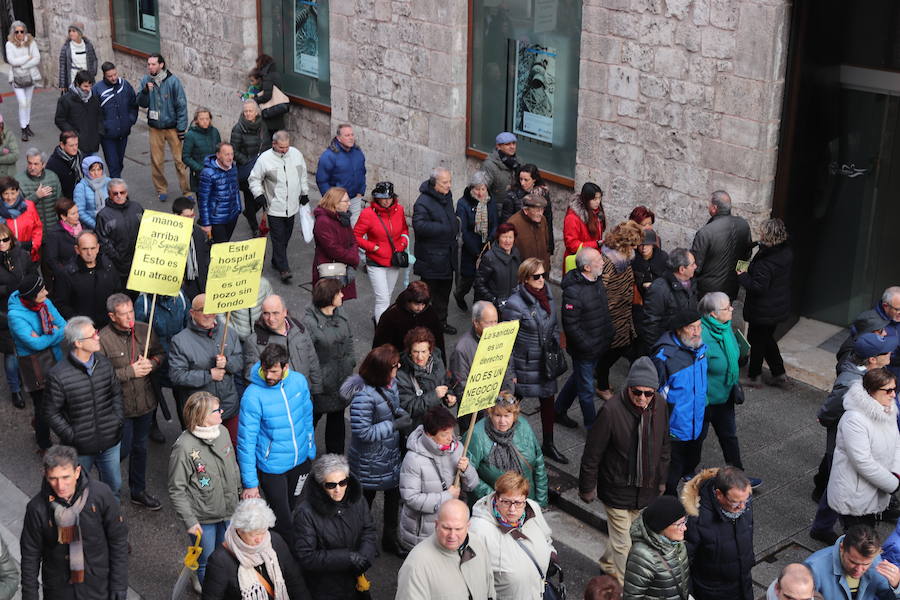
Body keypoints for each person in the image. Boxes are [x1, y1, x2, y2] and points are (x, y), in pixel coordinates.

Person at [579, 357, 671, 583]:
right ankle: (624, 588)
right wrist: (587, 487)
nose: (642, 398)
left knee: (628, 537)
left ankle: (607, 564)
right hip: (617, 489)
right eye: (636, 392)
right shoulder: (611, 411)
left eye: (648, 393)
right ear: (628, 388)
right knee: (626, 547)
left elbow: (665, 445)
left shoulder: (660, 406)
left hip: (645, 488)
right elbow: (592, 453)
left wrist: (662, 480)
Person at [811, 332, 896, 544]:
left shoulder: (874, 378)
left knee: (836, 480)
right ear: (872, 359)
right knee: (838, 483)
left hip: (857, 442)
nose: (891, 353)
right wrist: (824, 418)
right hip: (844, 440)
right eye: (885, 351)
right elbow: (830, 409)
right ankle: (821, 526)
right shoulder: (851, 383)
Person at [20, 445, 128, 600]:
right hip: (59, 590)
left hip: (98, 585)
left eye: (65, 477)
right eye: (53, 478)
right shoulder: (37, 508)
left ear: (77, 472)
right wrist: (30, 595)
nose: (60, 486)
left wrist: (119, 584)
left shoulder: (100, 494)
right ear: (45, 475)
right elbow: (30, 554)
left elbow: (118, 540)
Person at [238, 343, 315, 547]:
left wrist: (310, 448)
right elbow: (246, 442)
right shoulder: (252, 396)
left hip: (300, 462)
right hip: (272, 468)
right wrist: (250, 483)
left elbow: (307, 416)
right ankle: (288, 561)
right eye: (265, 370)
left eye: (274, 371)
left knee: (295, 510)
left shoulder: (298, 382)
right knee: (283, 521)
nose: (269, 376)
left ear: (285, 367)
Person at [341, 344, 410, 555]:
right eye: (394, 366)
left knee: (392, 499)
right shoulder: (363, 396)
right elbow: (363, 433)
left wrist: (398, 412)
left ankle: (390, 539)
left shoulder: (390, 383)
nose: (398, 368)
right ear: (382, 370)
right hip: (369, 461)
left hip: (388, 454)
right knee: (364, 503)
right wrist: (394, 425)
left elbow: (389, 405)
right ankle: (360, 542)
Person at [46, 316, 124, 499]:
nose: (98, 337)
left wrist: (117, 420)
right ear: (78, 343)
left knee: (114, 486)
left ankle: (111, 520)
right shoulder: (58, 375)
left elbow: (116, 394)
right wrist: (72, 436)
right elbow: (51, 412)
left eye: (96, 332)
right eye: (93, 335)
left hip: (109, 441)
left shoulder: (104, 363)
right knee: (78, 491)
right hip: (80, 448)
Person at [98, 293, 164, 510]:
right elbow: (99, 377)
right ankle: (105, 489)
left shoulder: (145, 330)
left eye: (131, 312)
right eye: (124, 314)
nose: (130, 318)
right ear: (112, 316)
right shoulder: (102, 340)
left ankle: (138, 490)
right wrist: (130, 372)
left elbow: (160, 354)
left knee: (140, 448)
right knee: (122, 449)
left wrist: (152, 364)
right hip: (120, 408)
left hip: (145, 404)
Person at [168, 391, 241, 586]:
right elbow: (177, 489)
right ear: (202, 417)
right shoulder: (183, 447)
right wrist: (190, 521)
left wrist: (240, 495)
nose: (222, 412)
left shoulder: (223, 432)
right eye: (217, 410)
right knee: (206, 562)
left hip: (228, 511)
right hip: (203, 518)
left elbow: (233, 466)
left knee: (226, 555)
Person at [502, 257, 565, 462]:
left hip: (545, 362)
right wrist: (510, 373)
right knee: (511, 406)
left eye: (543, 275)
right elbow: (507, 342)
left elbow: (554, 324)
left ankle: (549, 443)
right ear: (525, 278)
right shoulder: (514, 304)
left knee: (548, 403)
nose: (541, 279)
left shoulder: (548, 295)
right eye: (536, 276)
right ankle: (504, 442)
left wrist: (554, 346)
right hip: (525, 363)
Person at [292, 454, 377, 600]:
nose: (338, 489)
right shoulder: (305, 513)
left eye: (342, 482)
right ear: (320, 484)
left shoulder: (357, 499)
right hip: (325, 589)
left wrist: (365, 555)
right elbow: (306, 556)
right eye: (331, 485)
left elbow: (368, 529)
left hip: (355, 582)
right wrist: (347, 558)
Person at [828, 368, 900, 531]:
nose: (893, 395)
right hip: (855, 495)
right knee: (859, 541)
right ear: (872, 391)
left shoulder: (887, 408)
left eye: (894, 389)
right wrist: (892, 484)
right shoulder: (854, 420)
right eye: (888, 391)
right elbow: (862, 462)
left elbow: (897, 443)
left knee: (868, 535)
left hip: (875, 490)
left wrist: (895, 473)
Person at [399, 406, 478, 552]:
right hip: (423, 533)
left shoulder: (458, 448)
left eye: (451, 432)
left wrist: (467, 470)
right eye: (444, 434)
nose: (450, 438)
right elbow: (410, 498)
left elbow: (472, 485)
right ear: (429, 435)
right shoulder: (413, 460)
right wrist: (446, 497)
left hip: (451, 527)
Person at [469, 471, 556, 599]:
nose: (512, 509)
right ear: (496, 498)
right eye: (506, 502)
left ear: (525, 501)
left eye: (518, 503)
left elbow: (546, 538)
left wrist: (551, 553)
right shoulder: (479, 530)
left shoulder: (533, 508)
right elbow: (472, 578)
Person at [169, 293, 243, 441]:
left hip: (228, 407)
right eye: (203, 310)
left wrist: (227, 363)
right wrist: (209, 375)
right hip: (202, 413)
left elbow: (240, 362)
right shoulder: (180, 341)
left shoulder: (228, 332)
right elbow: (176, 375)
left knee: (232, 449)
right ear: (192, 313)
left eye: (212, 309)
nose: (209, 314)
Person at [202, 498, 310, 600]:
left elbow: (294, 580)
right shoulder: (219, 561)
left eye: (263, 532)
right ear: (239, 530)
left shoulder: (274, 540)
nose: (259, 540)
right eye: (253, 535)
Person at [555, 247, 614, 429]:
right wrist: (587, 346)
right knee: (586, 390)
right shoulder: (574, 292)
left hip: (598, 345)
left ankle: (558, 410)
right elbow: (571, 326)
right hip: (586, 350)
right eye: (598, 260)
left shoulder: (596, 281)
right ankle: (593, 427)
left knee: (579, 378)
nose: (603, 262)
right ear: (587, 267)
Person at [652, 308, 708, 495]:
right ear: (678, 330)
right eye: (692, 328)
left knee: (691, 461)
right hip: (674, 428)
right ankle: (668, 502)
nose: (697, 332)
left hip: (696, 423)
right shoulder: (665, 357)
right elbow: (653, 394)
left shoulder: (699, 349)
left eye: (699, 327)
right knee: (671, 473)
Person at [395, 499, 496, 600]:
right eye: (446, 528)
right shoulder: (416, 565)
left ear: (468, 526)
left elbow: (489, 587)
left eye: (458, 529)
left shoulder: (478, 544)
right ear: (436, 525)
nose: (452, 535)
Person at [8, 273, 65, 450]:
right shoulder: (15, 315)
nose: (46, 293)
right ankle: (44, 443)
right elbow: (35, 344)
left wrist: (46, 336)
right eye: (42, 292)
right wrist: (54, 333)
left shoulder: (44, 303)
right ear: (32, 297)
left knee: (61, 400)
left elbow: (64, 325)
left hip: (56, 359)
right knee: (42, 408)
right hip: (35, 366)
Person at [698, 292, 752, 473]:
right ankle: (685, 470)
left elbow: (733, 352)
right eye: (726, 307)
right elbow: (695, 374)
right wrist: (702, 402)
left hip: (725, 396)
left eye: (730, 305)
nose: (731, 309)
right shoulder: (701, 337)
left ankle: (738, 475)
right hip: (705, 401)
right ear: (713, 314)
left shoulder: (725, 326)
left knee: (729, 437)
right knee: (697, 439)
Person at [682, 466, 755, 600]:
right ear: (719, 494)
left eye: (745, 500)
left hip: (743, 584)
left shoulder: (744, 504)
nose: (742, 507)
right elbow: (684, 560)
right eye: (735, 502)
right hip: (712, 592)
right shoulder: (697, 519)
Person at [302, 278, 355, 455]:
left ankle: (336, 462)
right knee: (310, 421)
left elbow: (348, 339)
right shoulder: (309, 323)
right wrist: (318, 380)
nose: (342, 294)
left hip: (340, 381)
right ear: (328, 297)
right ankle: (301, 455)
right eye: (338, 292)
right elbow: (307, 356)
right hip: (322, 385)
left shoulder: (341, 313)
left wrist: (350, 362)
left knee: (337, 423)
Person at [738, 217, 793, 387]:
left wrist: (742, 275)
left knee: (757, 340)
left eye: (762, 232)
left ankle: (755, 376)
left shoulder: (766, 262)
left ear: (769, 237)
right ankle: (779, 374)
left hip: (763, 308)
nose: (760, 233)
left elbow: (757, 288)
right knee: (767, 338)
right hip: (777, 305)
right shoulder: (785, 251)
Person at [249, 130, 310, 282]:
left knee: (286, 236)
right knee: (278, 237)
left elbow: (302, 175)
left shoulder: (296, 154)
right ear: (274, 144)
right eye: (282, 147)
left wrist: (304, 193)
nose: (285, 150)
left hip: (292, 206)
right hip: (274, 206)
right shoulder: (265, 159)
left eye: (287, 146)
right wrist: (259, 195)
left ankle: (276, 260)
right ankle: (284, 268)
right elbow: (254, 179)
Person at [468, 393, 548, 507]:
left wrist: (540, 502)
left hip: (527, 501)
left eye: (507, 416)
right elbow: (468, 474)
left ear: (514, 416)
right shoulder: (476, 435)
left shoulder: (523, 426)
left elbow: (539, 463)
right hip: (494, 507)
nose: (502, 421)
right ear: (490, 414)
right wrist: (497, 500)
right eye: (497, 415)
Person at [594, 222, 642, 400]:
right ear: (624, 243)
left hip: (623, 312)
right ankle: (602, 385)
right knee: (611, 350)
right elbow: (601, 290)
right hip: (610, 314)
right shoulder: (608, 262)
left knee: (620, 347)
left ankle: (599, 375)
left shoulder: (625, 257)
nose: (636, 248)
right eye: (633, 244)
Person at [242, 293, 322, 395]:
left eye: (275, 313)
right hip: (279, 403)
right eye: (266, 313)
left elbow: (312, 360)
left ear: (285, 312)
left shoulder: (299, 329)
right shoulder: (254, 342)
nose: (271, 318)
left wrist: (316, 390)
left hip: (304, 396)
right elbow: (251, 378)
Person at [137, 53, 190, 201]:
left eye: (153, 64)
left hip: (172, 127)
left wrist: (181, 128)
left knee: (180, 161)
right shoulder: (146, 80)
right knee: (157, 160)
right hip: (155, 128)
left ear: (161, 65)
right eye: (148, 64)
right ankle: (161, 189)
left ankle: (186, 191)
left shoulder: (173, 81)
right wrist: (146, 92)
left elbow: (181, 105)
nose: (150, 67)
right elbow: (141, 102)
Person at [354, 180, 409, 322]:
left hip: (394, 260)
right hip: (376, 261)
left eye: (389, 198)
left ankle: (379, 320)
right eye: (383, 198)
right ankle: (382, 332)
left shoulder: (400, 210)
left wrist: (402, 243)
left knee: (388, 296)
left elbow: (404, 229)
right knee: (383, 299)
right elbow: (355, 236)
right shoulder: (367, 214)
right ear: (376, 197)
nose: (386, 201)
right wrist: (373, 247)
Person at [413, 167, 459, 334]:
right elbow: (419, 226)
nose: (449, 185)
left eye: (450, 181)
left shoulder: (447, 195)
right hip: (431, 259)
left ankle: (441, 323)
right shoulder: (423, 202)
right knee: (427, 296)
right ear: (434, 184)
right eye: (445, 182)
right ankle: (422, 327)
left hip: (447, 256)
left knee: (443, 294)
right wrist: (445, 227)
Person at [622, 495, 691, 600]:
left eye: (684, 521)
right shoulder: (642, 556)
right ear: (662, 526)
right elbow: (632, 597)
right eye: (679, 524)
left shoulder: (678, 544)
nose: (685, 528)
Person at [805, 524, 900, 600]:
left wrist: (897, 587)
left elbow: (886, 595)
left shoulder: (875, 560)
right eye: (853, 562)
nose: (858, 570)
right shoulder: (813, 568)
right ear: (842, 548)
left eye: (866, 564)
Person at [448, 301, 514, 407]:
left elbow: (507, 369)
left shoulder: (500, 338)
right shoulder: (462, 349)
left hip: (500, 406)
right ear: (476, 323)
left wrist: (507, 394)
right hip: (475, 410)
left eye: (495, 322)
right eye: (489, 322)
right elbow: (460, 385)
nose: (494, 327)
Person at [691, 190, 753, 299]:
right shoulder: (743, 224)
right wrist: (739, 277)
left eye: (709, 204)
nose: (708, 207)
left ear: (714, 208)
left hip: (708, 290)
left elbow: (696, 266)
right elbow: (747, 255)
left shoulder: (706, 233)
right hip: (732, 287)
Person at [52, 231, 122, 327]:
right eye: (85, 249)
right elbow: (61, 304)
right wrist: (80, 324)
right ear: (77, 249)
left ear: (97, 248)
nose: (89, 253)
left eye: (92, 248)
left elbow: (117, 293)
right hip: (83, 330)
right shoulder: (67, 274)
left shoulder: (108, 267)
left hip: (109, 326)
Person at [397, 327, 456, 435]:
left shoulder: (437, 361)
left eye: (423, 351)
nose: (420, 356)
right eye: (415, 352)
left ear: (430, 351)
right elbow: (408, 407)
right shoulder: (402, 374)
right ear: (409, 351)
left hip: (437, 424)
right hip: (417, 430)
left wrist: (449, 396)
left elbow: (445, 382)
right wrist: (435, 395)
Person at [0, 223, 34, 408]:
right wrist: (7, 289)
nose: (2, 244)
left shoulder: (22, 255)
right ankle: (15, 390)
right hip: (4, 313)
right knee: (11, 354)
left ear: (11, 239)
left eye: (5, 239)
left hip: (26, 308)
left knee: (30, 348)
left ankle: (33, 383)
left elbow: (33, 275)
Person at [640, 247, 698, 354]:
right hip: (667, 348)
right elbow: (651, 325)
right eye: (692, 264)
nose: (696, 266)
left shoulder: (691, 282)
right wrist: (657, 352)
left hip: (683, 344)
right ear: (682, 269)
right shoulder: (659, 289)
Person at [455, 171, 498, 311]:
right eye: (477, 189)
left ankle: (477, 309)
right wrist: (475, 252)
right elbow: (463, 230)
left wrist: (490, 240)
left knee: (482, 281)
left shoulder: (491, 202)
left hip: (487, 246)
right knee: (467, 279)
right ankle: (459, 295)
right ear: (471, 189)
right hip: (470, 248)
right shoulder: (463, 203)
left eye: (483, 189)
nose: (480, 193)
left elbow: (495, 224)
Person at [373, 280, 446, 357]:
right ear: (408, 301)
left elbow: (438, 341)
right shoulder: (391, 315)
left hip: (423, 358)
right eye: (417, 304)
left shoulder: (430, 313)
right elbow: (381, 345)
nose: (420, 308)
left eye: (423, 304)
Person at [313, 186, 359, 300]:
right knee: (329, 303)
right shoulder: (323, 221)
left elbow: (352, 241)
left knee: (338, 302)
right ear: (335, 203)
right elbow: (332, 249)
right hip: (330, 270)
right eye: (346, 201)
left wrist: (353, 254)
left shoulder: (342, 217)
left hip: (342, 266)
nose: (349, 203)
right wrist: (353, 258)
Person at [93, 62, 138, 179]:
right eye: (110, 76)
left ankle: (115, 186)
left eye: (115, 74)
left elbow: (134, 103)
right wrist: (102, 129)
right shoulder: (97, 90)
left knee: (119, 163)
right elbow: (94, 113)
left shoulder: (125, 85)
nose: (113, 78)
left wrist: (130, 120)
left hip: (123, 133)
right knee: (113, 165)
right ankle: (118, 191)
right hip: (108, 136)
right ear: (104, 75)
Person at [230, 100, 268, 236]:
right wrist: (247, 162)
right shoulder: (238, 128)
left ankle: (249, 214)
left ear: (256, 112)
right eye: (245, 111)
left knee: (261, 197)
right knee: (250, 198)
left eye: (250, 111)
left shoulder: (262, 126)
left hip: (261, 168)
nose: (247, 114)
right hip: (246, 169)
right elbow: (233, 150)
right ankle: (254, 226)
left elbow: (266, 145)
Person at [316, 124, 367, 224]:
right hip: (338, 201)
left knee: (355, 229)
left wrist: (361, 191)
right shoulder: (329, 156)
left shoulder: (357, 152)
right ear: (338, 138)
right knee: (338, 229)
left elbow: (362, 172)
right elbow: (322, 180)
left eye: (352, 135)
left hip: (355, 198)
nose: (351, 138)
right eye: (347, 135)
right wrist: (332, 200)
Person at [95, 178, 143, 281]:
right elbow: (103, 240)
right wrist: (117, 257)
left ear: (126, 193)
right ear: (109, 194)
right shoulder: (103, 215)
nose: (119, 196)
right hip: (118, 266)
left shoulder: (137, 207)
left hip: (140, 261)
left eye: (122, 192)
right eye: (115, 193)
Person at [197, 141, 241, 243]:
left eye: (232, 154)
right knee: (221, 247)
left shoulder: (233, 168)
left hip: (232, 216)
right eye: (227, 154)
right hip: (217, 219)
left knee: (224, 245)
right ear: (218, 155)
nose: (230, 158)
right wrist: (206, 223)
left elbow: (236, 190)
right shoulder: (207, 173)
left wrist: (238, 208)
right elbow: (203, 200)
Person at [5, 21, 41, 142]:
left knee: (28, 102)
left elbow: (37, 58)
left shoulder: (31, 42)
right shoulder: (9, 44)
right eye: (17, 32)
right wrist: (27, 58)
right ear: (13, 32)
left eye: (22, 31)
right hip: (17, 78)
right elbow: (12, 61)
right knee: (22, 103)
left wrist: (23, 66)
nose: (20, 34)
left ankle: (27, 125)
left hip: (29, 76)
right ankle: (23, 128)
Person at [54, 69, 103, 155]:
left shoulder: (94, 98)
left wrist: (99, 133)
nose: (88, 89)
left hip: (93, 145)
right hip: (76, 147)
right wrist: (74, 135)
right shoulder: (65, 100)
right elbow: (60, 120)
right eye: (85, 86)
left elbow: (100, 116)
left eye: (90, 86)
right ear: (77, 84)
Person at [172, 195, 212, 301]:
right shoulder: (171, 237)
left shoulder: (199, 232)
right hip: (183, 283)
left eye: (192, 215)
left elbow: (205, 255)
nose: (191, 219)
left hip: (200, 280)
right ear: (177, 216)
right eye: (187, 217)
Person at [474, 222, 521, 310]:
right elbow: (479, 284)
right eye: (504, 237)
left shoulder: (516, 253)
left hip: (512, 304)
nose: (507, 241)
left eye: (510, 237)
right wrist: (494, 300)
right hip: (494, 307)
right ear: (498, 238)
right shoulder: (489, 257)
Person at [500, 164, 553, 237]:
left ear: (534, 180)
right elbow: (507, 221)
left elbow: (548, 221)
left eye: (526, 180)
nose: (522, 183)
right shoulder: (512, 196)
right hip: (519, 236)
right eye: (521, 179)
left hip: (538, 236)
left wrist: (549, 245)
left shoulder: (543, 195)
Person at [506, 192, 552, 273]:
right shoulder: (513, 224)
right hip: (524, 274)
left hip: (540, 271)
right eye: (537, 210)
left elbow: (546, 244)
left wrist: (547, 266)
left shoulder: (543, 220)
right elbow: (509, 254)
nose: (541, 214)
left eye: (542, 210)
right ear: (526, 210)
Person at [0, 176, 41, 262]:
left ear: (18, 192)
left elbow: (37, 228)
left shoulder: (29, 206)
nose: (10, 197)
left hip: (28, 253)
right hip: (5, 257)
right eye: (6, 193)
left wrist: (34, 245)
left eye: (13, 193)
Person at [18, 148, 62, 228]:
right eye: (29, 163)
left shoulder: (53, 177)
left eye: (36, 164)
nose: (32, 167)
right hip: (31, 229)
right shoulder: (19, 180)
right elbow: (17, 207)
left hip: (53, 228)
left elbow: (60, 201)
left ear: (43, 164)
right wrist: (36, 196)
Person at [563, 182, 606, 260]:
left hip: (592, 259)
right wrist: (596, 244)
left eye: (599, 198)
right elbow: (572, 245)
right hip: (579, 261)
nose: (598, 202)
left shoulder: (597, 212)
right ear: (586, 199)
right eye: (594, 199)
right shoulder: (572, 217)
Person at [182, 107, 222, 192]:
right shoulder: (190, 135)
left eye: (207, 119)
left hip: (215, 173)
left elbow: (220, 151)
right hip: (199, 176)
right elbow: (185, 157)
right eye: (202, 119)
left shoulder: (215, 132)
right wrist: (200, 169)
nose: (205, 121)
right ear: (196, 120)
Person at [72, 155, 109, 229]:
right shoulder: (81, 187)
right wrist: (96, 226)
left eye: (99, 169)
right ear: (86, 171)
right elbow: (80, 211)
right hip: (92, 228)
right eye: (92, 170)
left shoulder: (109, 182)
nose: (96, 173)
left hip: (111, 224)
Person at [253, 54, 288, 133]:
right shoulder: (275, 74)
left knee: (269, 138)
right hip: (276, 111)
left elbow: (267, 96)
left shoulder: (267, 76)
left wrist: (255, 100)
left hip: (270, 112)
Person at [481, 131, 519, 202]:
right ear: (498, 146)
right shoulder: (489, 165)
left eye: (514, 143)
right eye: (508, 144)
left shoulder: (517, 161)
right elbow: (482, 189)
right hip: (497, 206)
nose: (512, 147)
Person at [57, 23, 97, 90]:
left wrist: (92, 73)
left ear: (79, 33)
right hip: (73, 77)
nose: (71, 33)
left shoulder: (88, 45)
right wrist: (62, 84)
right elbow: (62, 66)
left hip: (87, 78)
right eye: (70, 31)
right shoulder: (66, 48)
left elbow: (94, 60)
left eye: (73, 31)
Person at [45, 131, 83, 199]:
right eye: (71, 145)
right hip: (65, 200)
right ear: (62, 145)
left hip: (79, 194)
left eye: (76, 144)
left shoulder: (79, 155)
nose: (75, 148)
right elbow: (51, 187)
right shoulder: (53, 163)